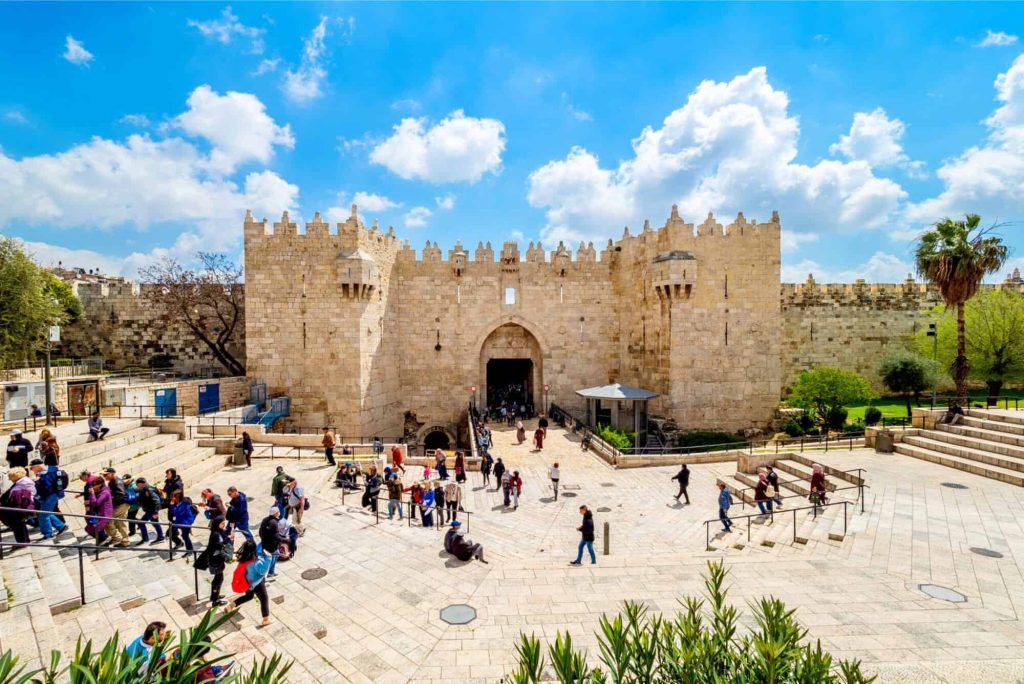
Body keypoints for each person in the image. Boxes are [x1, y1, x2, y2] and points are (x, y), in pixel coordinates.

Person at [225, 540, 273, 626]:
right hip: (257, 583)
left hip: (247, 583)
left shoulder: (243, 559)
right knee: (264, 598)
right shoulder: (255, 563)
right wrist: (269, 557)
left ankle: (231, 606)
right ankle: (266, 619)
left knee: (249, 596)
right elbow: (263, 571)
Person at [30, 459, 67, 540]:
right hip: (51, 495)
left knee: (43, 516)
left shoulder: (50, 472)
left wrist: (36, 482)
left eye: (32, 468)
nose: (31, 470)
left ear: (38, 466)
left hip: (52, 495)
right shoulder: (48, 470)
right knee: (47, 513)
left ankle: (48, 534)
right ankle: (61, 526)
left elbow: (47, 487)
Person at [0, 467, 36, 547]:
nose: (9, 479)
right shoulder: (23, 482)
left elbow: (16, 501)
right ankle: (25, 541)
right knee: (20, 525)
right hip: (21, 508)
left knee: (17, 526)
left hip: (17, 509)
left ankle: (22, 543)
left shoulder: (18, 487)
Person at [102, 467, 130, 547]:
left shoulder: (117, 482)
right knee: (121, 523)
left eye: (106, 474)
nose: (105, 476)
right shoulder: (113, 481)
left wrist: (109, 498)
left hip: (121, 505)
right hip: (123, 505)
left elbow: (121, 494)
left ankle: (117, 537)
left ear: (112, 474)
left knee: (107, 521)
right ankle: (125, 542)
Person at [135, 477, 165, 545]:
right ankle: (160, 537)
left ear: (141, 484)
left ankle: (145, 539)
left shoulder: (148, 490)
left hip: (151, 510)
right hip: (151, 509)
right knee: (155, 522)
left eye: (137, 485)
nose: (137, 486)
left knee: (141, 523)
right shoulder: (148, 488)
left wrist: (155, 512)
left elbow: (156, 501)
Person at [85, 476, 113, 545]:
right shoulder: (99, 490)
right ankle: (103, 541)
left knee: (93, 529)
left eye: (94, 485)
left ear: (100, 484)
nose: (93, 487)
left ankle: (104, 539)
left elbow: (97, 503)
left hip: (104, 515)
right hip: (98, 514)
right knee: (89, 528)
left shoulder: (105, 492)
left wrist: (92, 494)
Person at [259, 507, 282, 576]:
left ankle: (271, 572)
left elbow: (260, 531)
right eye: (278, 512)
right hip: (272, 546)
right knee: (272, 558)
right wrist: (285, 540)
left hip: (265, 544)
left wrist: (263, 539)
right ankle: (268, 572)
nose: (279, 513)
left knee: (275, 555)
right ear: (275, 513)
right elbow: (276, 536)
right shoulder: (274, 523)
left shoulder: (265, 519)